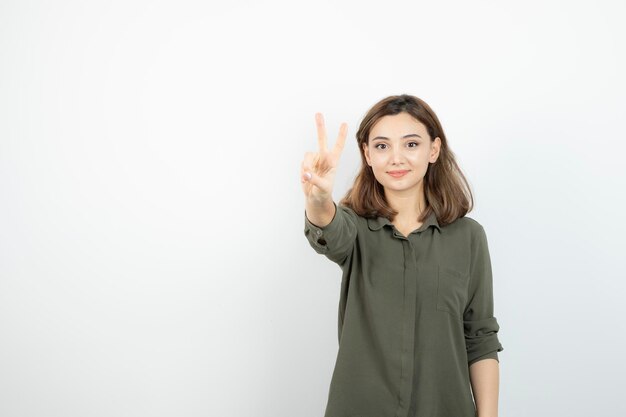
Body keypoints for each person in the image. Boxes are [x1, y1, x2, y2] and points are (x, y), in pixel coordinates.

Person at [300, 94, 504, 417]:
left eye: (410, 144)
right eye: (382, 146)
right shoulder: (356, 229)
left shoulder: (468, 238)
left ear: (433, 150)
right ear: (367, 154)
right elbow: (330, 232)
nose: (396, 158)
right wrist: (319, 200)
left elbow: (480, 337)